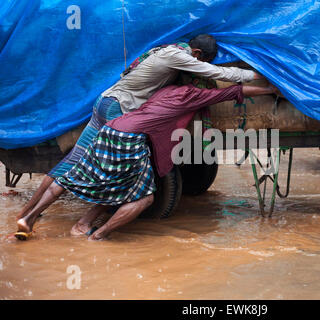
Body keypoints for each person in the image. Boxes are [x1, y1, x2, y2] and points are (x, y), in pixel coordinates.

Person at [16, 34, 262, 222]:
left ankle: (27, 216)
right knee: (120, 175)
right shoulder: (179, 56)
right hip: (120, 109)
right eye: (201, 60)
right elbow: (216, 72)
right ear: (196, 53)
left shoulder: (165, 49)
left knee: (72, 162)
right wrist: (257, 75)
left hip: (104, 102)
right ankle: (87, 225)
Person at [14, 82, 278, 241]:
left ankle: (33, 219)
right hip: (129, 139)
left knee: (78, 177)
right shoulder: (194, 95)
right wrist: (269, 89)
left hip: (111, 128)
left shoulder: (165, 90)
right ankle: (97, 236)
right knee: (143, 198)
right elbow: (235, 90)